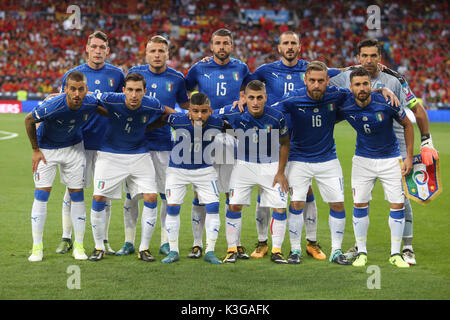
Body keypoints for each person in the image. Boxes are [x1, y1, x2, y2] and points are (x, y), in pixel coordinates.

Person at [273, 61, 399, 265]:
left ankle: (336, 250)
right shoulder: (292, 99)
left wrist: (381, 88)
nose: (316, 85)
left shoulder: (337, 94)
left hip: (328, 159)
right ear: (305, 80)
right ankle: (295, 250)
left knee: (338, 204)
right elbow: (268, 110)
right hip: (298, 159)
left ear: (327, 81)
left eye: (320, 81)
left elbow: (361, 90)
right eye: (312, 80)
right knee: (296, 204)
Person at [329, 39, 439, 265]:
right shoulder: (347, 75)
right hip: (367, 149)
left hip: (396, 147)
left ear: (380, 57)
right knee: (361, 199)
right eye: (364, 56)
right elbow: (319, 79)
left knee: (401, 200)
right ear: (358, 58)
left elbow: (416, 110)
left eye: (373, 56)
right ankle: (360, 246)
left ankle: (406, 247)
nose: (368, 60)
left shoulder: (395, 79)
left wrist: (426, 141)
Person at [243, 31, 340, 260]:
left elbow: (343, 73)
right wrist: (241, 97)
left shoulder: (310, 70)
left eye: (293, 43)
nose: (289, 47)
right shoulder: (266, 70)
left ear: (299, 46)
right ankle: (262, 242)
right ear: (279, 47)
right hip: (272, 138)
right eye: (285, 43)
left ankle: (312, 242)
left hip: (300, 141)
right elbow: (247, 84)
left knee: (305, 193)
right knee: (265, 191)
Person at [115, 35, 190, 257]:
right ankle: (129, 241)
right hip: (137, 145)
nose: (157, 55)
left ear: (168, 54)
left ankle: (165, 242)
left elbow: (185, 105)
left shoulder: (177, 78)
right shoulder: (135, 75)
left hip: (164, 144)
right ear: (146, 53)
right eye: (153, 51)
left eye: (161, 51)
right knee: (133, 195)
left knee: (166, 195)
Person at [88, 72, 175, 262]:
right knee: (98, 197)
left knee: (151, 196)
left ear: (145, 91)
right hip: (110, 155)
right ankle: (98, 247)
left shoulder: (151, 103)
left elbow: (166, 112)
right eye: (130, 90)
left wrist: (187, 120)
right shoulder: (111, 99)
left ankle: (144, 248)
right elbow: (89, 98)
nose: (134, 95)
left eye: (138, 91)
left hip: (139, 155)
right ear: (123, 90)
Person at [56, 31, 125, 255]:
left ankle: (102, 240)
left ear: (108, 50)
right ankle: (67, 237)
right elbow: (62, 106)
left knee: (104, 192)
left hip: (106, 143)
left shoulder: (117, 75)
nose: (97, 51)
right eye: (94, 47)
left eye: (102, 48)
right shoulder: (74, 74)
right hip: (78, 142)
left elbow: (121, 107)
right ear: (87, 48)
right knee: (72, 190)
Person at [337, 67, 413, 268]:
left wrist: (409, 158)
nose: (362, 88)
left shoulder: (387, 102)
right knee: (359, 204)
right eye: (357, 84)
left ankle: (395, 254)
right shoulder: (345, 104)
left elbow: (408, 125)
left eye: (365, 84)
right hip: (363, 161)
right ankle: (361, 252)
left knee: (397, 205)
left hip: (391, 160)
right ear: (351, 87)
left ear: (371, 85)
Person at [185, 28, 250, 260]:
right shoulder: (198, 68)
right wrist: (194, 115)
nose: (222, 47)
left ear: (232, 46)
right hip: (206, 134)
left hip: (233, 135)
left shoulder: (241, 68)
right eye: (218, 43)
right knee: (200, 191)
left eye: (226, 43)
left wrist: (243, 99)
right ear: (211, 46)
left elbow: (251, 92)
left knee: (234, 192)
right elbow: (184, 92)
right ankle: (197, 243)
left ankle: (236, 244)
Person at [24, 71, 101, 262]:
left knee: (77, 195)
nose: (76, 93)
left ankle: (79, 246)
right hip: (47, 150)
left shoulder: (90, 102)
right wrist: (35, 150)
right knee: (42, 195)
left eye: (80, 89)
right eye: (72, 89)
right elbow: (28, 120)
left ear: (86, 90)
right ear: (65, 89)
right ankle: (37, 247)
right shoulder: (53, 105)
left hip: (73, 148)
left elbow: (105, 109)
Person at [215, 80, 291, 264]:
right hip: (243, 165)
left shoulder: (277, 117)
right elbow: (211, 116)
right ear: (244, 98)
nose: (255, 102)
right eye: (251, 98)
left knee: (279, 207)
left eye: (259, 98)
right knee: (234, 205)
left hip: (270, 165)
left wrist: (280, 172)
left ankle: (277, 251)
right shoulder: (233, 112)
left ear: (266, 98)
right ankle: (232, 249)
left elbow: (285, 143)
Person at [148, 92, 224, 264]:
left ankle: (210, 251)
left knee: (213, 207)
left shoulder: (218, 123)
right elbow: (160, 119)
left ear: (210, 111)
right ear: (189, 110)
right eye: (195, 111)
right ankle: (173, 251)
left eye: (204, 111)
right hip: (177, 170)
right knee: (173, 208)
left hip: (205, 170)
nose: (199, 115)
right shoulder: (177, 120)